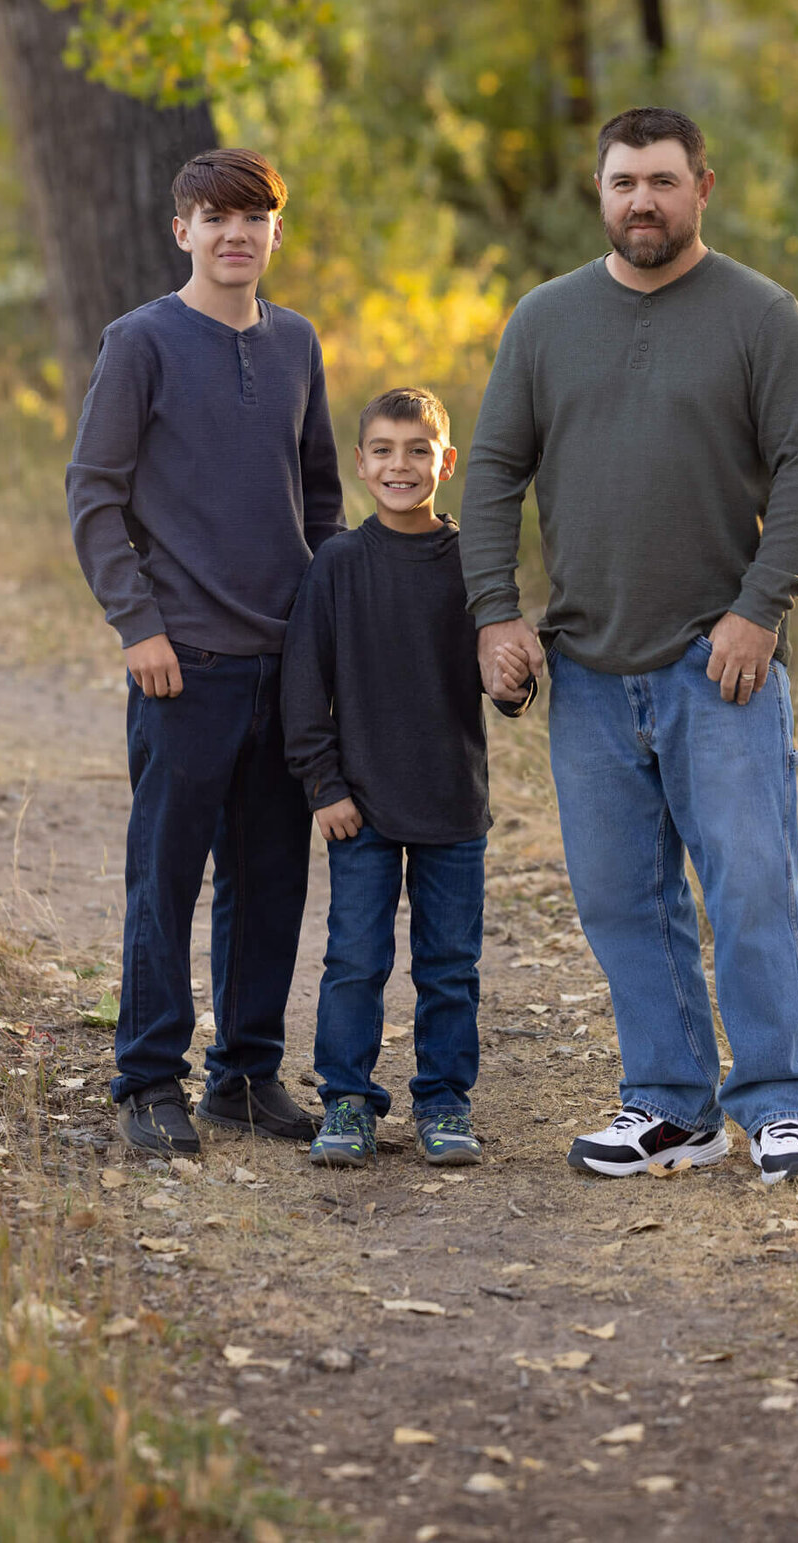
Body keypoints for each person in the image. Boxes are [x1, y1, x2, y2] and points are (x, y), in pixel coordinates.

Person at [460, 107, 798, 1187]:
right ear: (601, 191)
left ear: (702, 189)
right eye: (624, 181)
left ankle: (780, 1107)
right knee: (623, 897)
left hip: (719, 666)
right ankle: (672, 1107)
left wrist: (760, 607)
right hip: (584, 667)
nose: (643, 201)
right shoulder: (546, 320)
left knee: (751, 883)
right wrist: (497, 612)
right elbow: (491, 472)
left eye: (663, 182)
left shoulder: (761, 316)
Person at [67, 146, 345, 1157]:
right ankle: (149, 1079)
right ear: (181, 229)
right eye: (215, 217)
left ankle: (245, 1075)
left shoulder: (298, 343)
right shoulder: (140, 340)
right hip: (181, 663)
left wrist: (325, 638)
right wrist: (138, 625)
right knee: (166, 875)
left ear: (277, 231)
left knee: (271, 876)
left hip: (285, 662)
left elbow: (319, 501)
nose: (237, 234)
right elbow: (94, 493)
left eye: (255, 217)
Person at [281, 387, 535, 1169]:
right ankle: (348, 1101)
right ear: (360, 464)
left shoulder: (471, 563)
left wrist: (516, 684)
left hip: (452, 801)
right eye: (384, 451)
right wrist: (323, 784)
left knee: (449, 964)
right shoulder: (337, 564)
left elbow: (503, 673)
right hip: (362, 805)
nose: (400, 465)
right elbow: (302, 683)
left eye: (417, 451)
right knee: (356, 957)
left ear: (445, 463)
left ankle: (445, 1100)